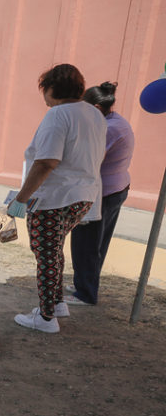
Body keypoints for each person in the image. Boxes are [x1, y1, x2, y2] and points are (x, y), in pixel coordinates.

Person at [11, 63, 106, 333]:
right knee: (54, 251)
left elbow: (46, 162)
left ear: (51, 88)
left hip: (54, 197)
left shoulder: (58, 115)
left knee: (45, 256)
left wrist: (21, 198)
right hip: (83, 196)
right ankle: (57, 303)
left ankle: (46, 317)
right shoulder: (94, 114)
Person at [67, 81, 134, 306]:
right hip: (114, 188)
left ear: (95, 108)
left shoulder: (108, 128)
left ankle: (86, 292)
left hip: (104, 192)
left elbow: (89, 157)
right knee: (96, 242)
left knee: (86, 242)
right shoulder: (115, 121)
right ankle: (84, 284)